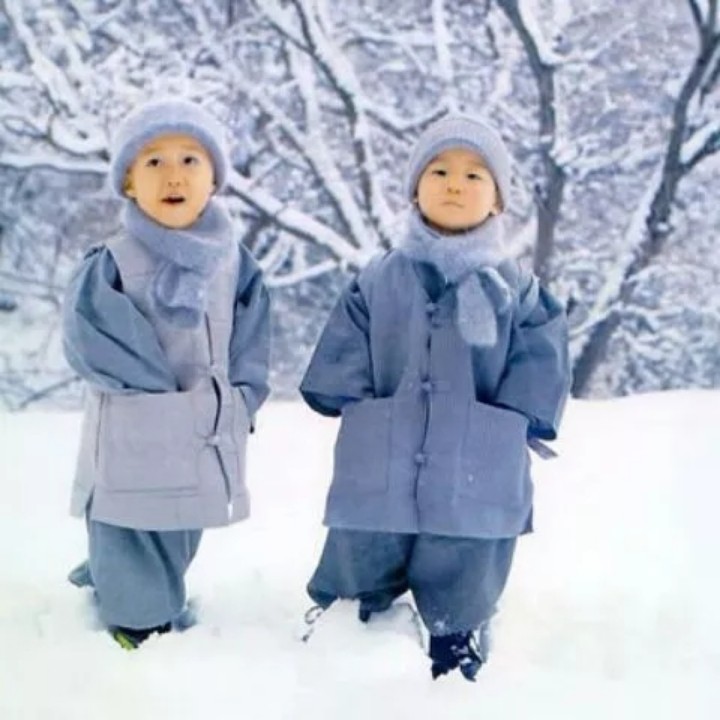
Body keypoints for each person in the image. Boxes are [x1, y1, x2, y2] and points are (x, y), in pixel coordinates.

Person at [299, 115, 571, 681]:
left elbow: (541, 359)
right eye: (439, 171)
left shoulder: (517, 290)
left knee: (465, 557)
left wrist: (510, 422)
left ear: (497, 200)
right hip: (382, 457)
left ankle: (457, 634)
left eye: (474, 175)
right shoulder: (378, 279)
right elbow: (345, 350)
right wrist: (363, 410)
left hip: (477, 465)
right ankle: (347, 621)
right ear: (414, 189)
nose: (454, 184)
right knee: (362, 544)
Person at [63, 99, 270, 649]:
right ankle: (135, 625)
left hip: (204, 435)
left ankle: (127, 586)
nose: (173, 174)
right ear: (130, 182)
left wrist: (242, 399)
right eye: (153, 162)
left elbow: (252, 339)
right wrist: (159, 401)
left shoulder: (235, 263)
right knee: (131, 526)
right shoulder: (114, 260)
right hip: (138, 430)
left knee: (178, 528)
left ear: (214, 180)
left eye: (189, 160)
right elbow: (94, 335)